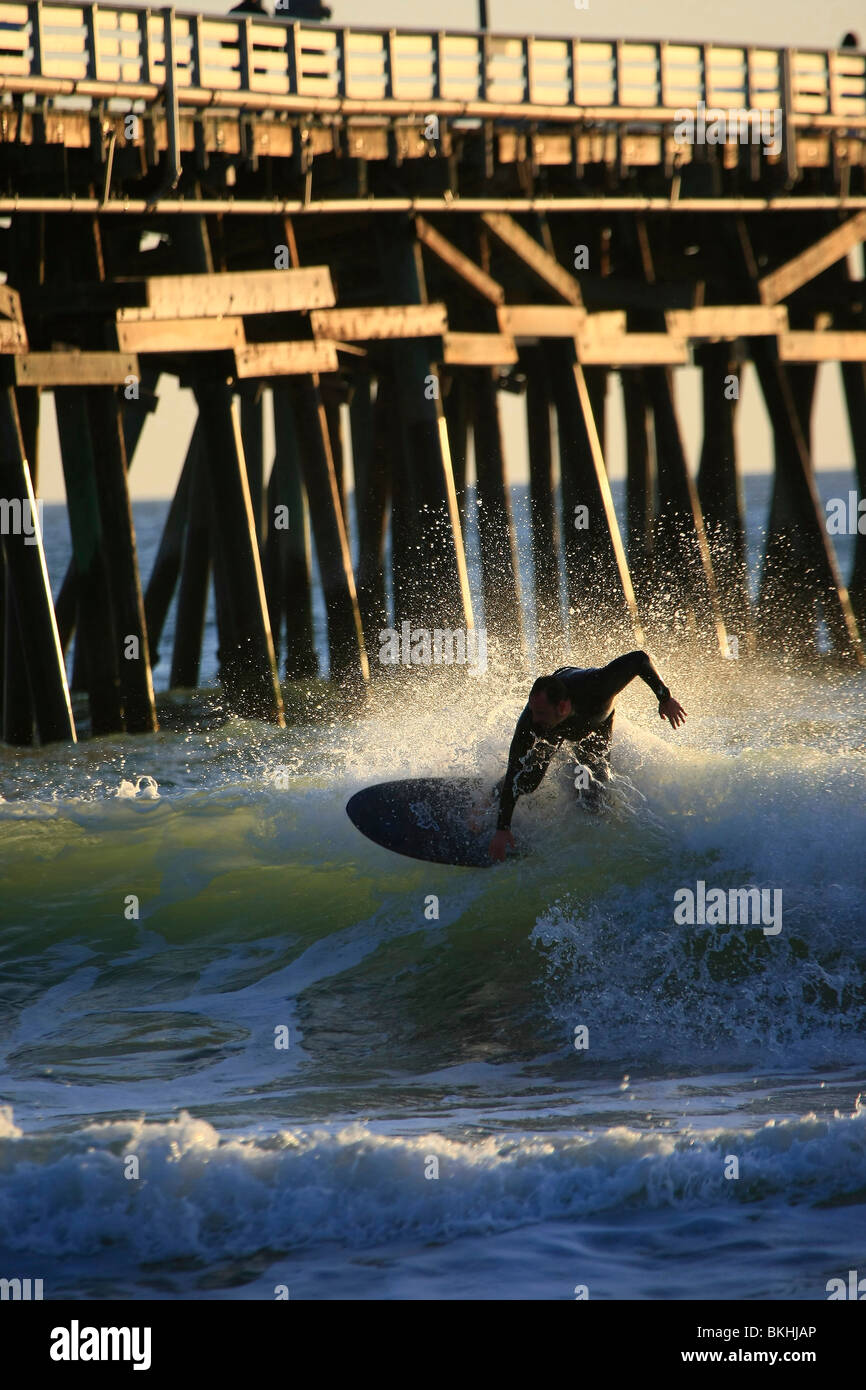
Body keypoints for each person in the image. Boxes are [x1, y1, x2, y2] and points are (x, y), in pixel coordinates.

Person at [488, 650, 687, 861]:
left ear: (562, 707)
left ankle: (591, 847)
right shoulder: (534, 721)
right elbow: (514, 771)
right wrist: (502, 829)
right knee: (527, 781)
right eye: (533, 712)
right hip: (558, 726)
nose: (535, 720)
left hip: (596, 725)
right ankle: (489, 797)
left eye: (541, 714)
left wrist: (664, 697)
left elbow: (638, 659)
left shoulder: (597, 686)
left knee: (595, 794)